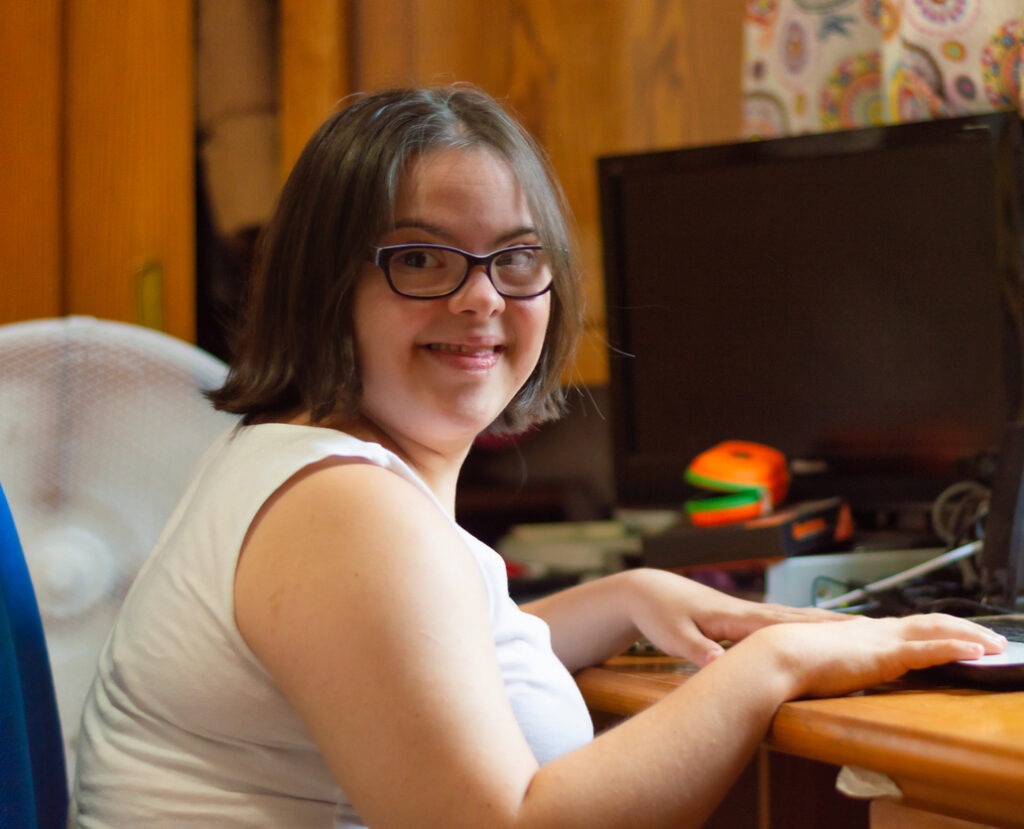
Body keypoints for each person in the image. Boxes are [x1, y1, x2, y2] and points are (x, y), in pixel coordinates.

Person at [71, 85, 1006, 828]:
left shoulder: (295, 464)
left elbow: (413, 664)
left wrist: (625, 594)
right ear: (327, 283)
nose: (482, 298)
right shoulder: (343, 510)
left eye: (516, 258)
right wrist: (773, 665)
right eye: (422, 258)